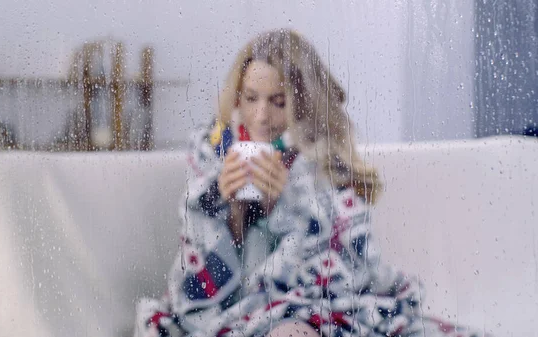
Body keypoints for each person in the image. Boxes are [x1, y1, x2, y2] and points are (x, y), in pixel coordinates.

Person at [136, 29, 486, 337]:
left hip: (318, 306)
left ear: (303, 102)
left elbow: (346, 263)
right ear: (236, 96)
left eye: (278, 101)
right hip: (239, 307)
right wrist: (227, 207)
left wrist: (284, 206)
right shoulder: (213, 152)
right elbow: (197, 264)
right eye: (250, 97)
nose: (261, 116)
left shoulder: (324, 161)